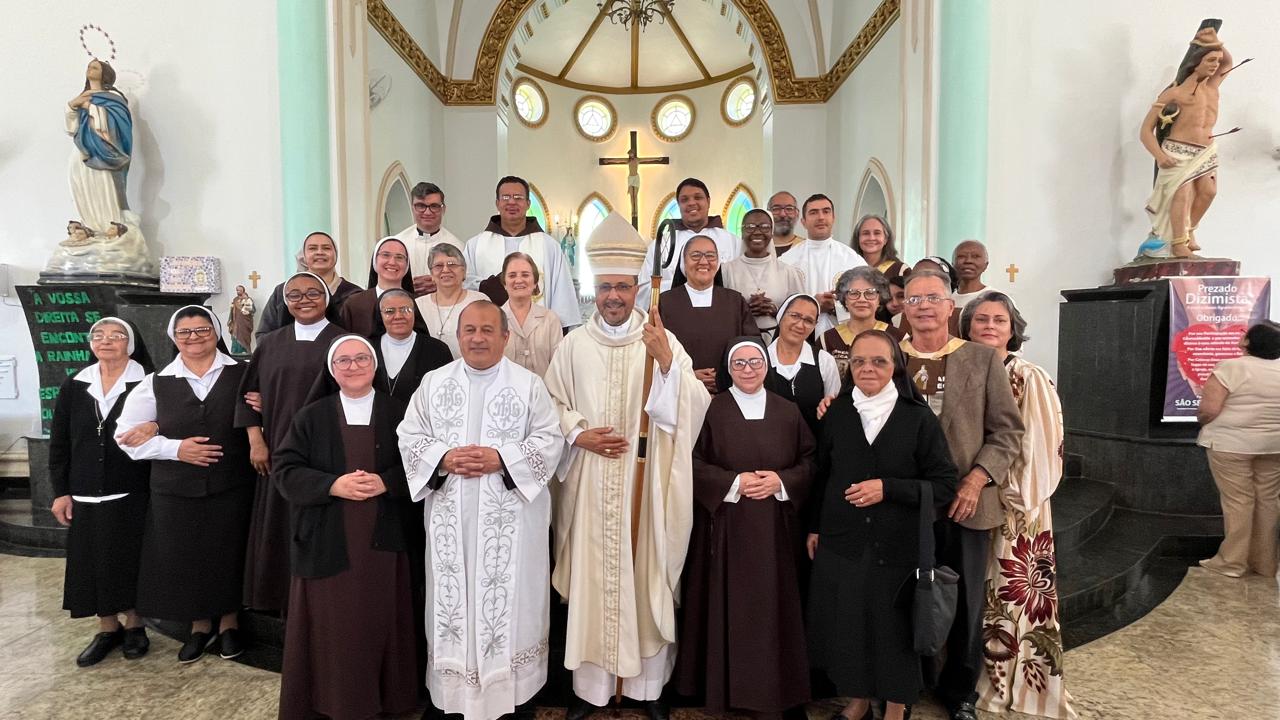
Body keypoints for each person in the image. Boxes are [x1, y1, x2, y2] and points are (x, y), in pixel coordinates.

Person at [543, 211, 712, 720]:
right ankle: (591, 690)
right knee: (596, 587)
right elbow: (548, 403)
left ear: (638, 288)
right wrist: (577, 431)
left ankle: (647, 692)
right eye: (605, 287)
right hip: (591, 481)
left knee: (646, 581)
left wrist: (664, 365)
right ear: (593, 289)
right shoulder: (573, 345)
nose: (614, 296)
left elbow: (695, 406)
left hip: (649, 478)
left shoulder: (661, 338)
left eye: (622, 286)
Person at [398, 301, 566, 720]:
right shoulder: (434, 383)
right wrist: (443, 458)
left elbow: (550, 439)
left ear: (505, 337)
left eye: (488, 330)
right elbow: (408, 434)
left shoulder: (529, 385)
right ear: (457, 337)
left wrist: (502, 459)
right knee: (452, 600)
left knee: (513, 606)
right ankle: (454, 696)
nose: (477, 338)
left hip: (511, 521)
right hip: (450, 515)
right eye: (469, 330)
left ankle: (512, 695)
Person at [807, 330, 958, 720]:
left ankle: (895, 706)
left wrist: (888, 489)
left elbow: (944, 485)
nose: (867, 369)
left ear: (896, 367)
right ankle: (857, 701)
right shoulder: (838, 413)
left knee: (894, 631)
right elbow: (822, 475)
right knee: (849, 625)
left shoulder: (918, 417)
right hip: (844, 540)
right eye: (858, 361)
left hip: (898, 545)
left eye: (879, 361)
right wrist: (814, 527)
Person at [897, 271, 1023, 720]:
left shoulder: (981, 359)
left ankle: (960, 693)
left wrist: (976, 480)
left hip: (966, 502)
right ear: (903, 307)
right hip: (905, 504)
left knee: (966, 600)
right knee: (901, 594)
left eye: (934, 297)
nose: (925, 306)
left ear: (951, 307)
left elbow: (1007, 432)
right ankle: (903, 684)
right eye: (915, 298)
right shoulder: (889, 358)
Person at [273, 335, 418, 720]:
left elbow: (426, 464)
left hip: (384, 541)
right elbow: (285, 471)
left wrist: (387, 481)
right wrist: (332, 485)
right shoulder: (311, 416)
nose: (352, 366)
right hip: (329, 541)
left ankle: (389, 700)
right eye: (343, 361)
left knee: (381, 618)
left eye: (360, 359)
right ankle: (335, 701)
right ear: (331, 370)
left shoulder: (401, 412)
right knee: (334, 628)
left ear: (374, 365)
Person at [675, 338, 815, 715]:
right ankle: (724, 691)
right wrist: (733, 483)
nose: (749, 369)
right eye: (740, 364)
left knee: (773, 610)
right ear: (728, 369)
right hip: (726, 527)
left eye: (755, 361)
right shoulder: (713, 409)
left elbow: (810, 461)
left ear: (766, 365)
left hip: (775, 532)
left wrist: (781, 482)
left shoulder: (787, 411)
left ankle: (774, 689)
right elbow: (693, 461)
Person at [115, 306, 256, 663]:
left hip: (232, 482)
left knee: (229, 552)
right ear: (174, 338)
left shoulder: (244, 372)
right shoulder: (157, 381)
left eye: (202, 330)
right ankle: (198, 626)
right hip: (175, 489)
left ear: (216, 332)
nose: (194, 338)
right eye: (185, 333)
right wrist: (176, 448)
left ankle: (228, 623)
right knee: (186, 557)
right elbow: (125, 436)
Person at [961, 292, 1077, 719]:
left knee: (1011, 595)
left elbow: (1043, 446)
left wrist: (1012, 497)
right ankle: (976, 677)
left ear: (1013, 329)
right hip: (970, 502)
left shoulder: (1027, 375)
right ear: (968, 327)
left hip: (1016, 508)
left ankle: (1015, 682)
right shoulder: (965, 367)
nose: (990, 326)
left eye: (999, 320)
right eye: (980, 320)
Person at [236, 272, 348, 613]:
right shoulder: (270, 343)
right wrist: (256, 440)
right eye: (295, 294)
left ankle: (317, 597)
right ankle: (276, 597)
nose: (304, 299)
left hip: (325, 453)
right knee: (278, 524)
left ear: (327, 298)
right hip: (276, 449)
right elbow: (246, 395)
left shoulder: (343, 341)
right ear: (285, 302)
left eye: (313, 292)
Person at [49, 318, 152, 667]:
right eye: (99, 335)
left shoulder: (147, 382)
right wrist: (61, 492)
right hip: (83, 489)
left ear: (131, 342)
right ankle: (107, 627)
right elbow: (60, 442)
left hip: (131, 488)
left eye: (116, 335)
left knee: (128, 558)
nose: (106, 341)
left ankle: (135, 623)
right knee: (89, 561)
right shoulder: (76, 385)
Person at [1137, 24, 1232, 258]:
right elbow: (1145, 130)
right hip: (1178, 151)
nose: (1215, 65)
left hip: (1205, 150)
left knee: (1208, 192)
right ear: (1196, 61)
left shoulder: (1212, 87)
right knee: (1182, 193)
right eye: (1210, 60)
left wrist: (1215, 42)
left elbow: (1228, 63)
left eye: (1216, 61)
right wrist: (1160, 156)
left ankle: (1188, 230)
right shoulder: (1174, 93)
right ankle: (1179, 243)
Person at [1195, 320, 1280, 578]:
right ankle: (1265, 563)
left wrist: (1202, 422)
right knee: (1268, 501)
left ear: (1248, 342)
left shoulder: (1231, 367)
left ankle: (1232, 563)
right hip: (1274, 446)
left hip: (1230, 445)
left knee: (1238, 502)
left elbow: (1209, 410)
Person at [464, 176, 580, 330]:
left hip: (538, 332)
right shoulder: (476, 245)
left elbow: (562, 292)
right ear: (497, 203)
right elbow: (465, 285)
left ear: (527, 204)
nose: (511, 202)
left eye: (518, 197)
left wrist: (561, 331)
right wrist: (489, 286)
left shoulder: (549, 245)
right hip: (490, 329)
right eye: (506, 197)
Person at [658, 235, 759, 393]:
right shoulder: (664, 303)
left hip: (729, 393)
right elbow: (653, 351)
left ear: (718, 263)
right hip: (679, 394)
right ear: (684, 262)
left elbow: (752, 348)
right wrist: (688, 375)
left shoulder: (735, 301)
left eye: (710, 256)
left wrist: (723, 377)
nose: (704, 261)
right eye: (695, 255)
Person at [636, 178, 742, 309]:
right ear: (678, 204)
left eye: (698, 197)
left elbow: (740, 282)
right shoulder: (661, 243)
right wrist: (686, 287)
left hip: (721, 310)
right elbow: (645, 287)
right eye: (684, 200)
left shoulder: (731, 241)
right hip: (675, 311)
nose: (691, 203)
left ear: (708, 201)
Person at [779, 194, 866, 335]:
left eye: (826, 211)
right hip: (799, 335)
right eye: (813, 212)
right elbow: (780, 303)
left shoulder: (853, 260)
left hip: (842, 335)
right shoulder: (786, 261)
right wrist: (813, 305)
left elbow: (868, 300)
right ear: (803, 221)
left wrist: (836, 307)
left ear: (833, 218)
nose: (820, 217)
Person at [256, 232, 362, 340]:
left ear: (336, 255)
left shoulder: (355, 295)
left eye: (326, 248)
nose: (320, 252)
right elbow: (264, 336)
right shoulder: (282, 292)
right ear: (304, 256)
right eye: (312, 248)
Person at [721, 208, 807, 340]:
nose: (757, 232)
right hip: (740, 344)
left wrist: (777, 312)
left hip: (779, 343)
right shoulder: (725, 271)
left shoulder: (789, 272)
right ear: (742, 232)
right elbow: (719, 313)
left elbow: (803, 313)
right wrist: (745, 311)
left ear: (772, 232)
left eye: (765, 227)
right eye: (750, 227)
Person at [765, 294, 841, 436]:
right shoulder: (760, 360)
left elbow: (832, 410)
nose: (800, 325)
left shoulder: (824, 361)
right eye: (795, 316)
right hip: (769, 447)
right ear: (781, 316)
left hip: (813, 449)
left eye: (808, 320)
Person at [821, 267, 905, 381]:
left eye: (870, 293)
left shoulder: (899, 338)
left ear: (879, 299)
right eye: (854, 293)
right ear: (845, 299)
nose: (862, 299)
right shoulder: (827, 340)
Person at [339, 236, 428, 338]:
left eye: (399, 257)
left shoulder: (418, 303)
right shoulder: (354, 304)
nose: (392, 262)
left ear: (407, 265)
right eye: (385, 255)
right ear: (375, 261)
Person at [372, 289, 452, 402]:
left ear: (415, 312)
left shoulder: (437, 350)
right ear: (380, 315)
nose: (398, 316)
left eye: (406, 310)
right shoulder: (368, 349)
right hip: (377, 418)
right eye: (389, 311)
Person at [418, 243, 490, 359]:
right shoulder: (418, 305)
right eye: (438, 266)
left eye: (452, 264)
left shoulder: (480, 301)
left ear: (464, 271)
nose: (445, 270)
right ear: (431, 274)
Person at [396, 181, 466, 296]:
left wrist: (441, 283)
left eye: (434, 206)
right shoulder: (399, 243)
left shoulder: (457, 247)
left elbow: (465, 283)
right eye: (421, 206)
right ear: (413, 208)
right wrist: (407, 284)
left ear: (443, 209)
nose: (427, 212)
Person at [500, 251, 564, 376]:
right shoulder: (494, 319)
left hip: (544, 392)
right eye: (512, 275)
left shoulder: (550, 319)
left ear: (535, 282)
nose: (519, 280)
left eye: (525, 275)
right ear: (504, 283)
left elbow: (559, 367)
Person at [851, 214, 908, 281]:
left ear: (886, 239)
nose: (871, 238)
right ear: (857, 238)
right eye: (865, 233)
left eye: (877, 233)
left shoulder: (901, 271)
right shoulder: (849, 267)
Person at [951, 241, 999, 309]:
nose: (968, 261)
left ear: (986, 265)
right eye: (961, 256)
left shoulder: (997, 298)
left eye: (976, 256)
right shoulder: (946, 299)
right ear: (953, 264)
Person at [767, 191, 804, 256]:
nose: (782, 214)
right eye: (776, 209)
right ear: (767, 214)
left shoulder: (806, 248)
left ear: (797, 214)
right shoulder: (755, 248)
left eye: (789, 209)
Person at [228, 285, 255, 355]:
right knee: (235, 335)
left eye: (239, 290)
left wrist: (247, 310)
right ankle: (235, 350)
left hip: (245, 323)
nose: (238, 291)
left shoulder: (248, 299)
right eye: (237, 290)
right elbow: (232, 311)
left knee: (244, 336)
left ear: (243, 291)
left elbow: (253, 310)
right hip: (236, 322)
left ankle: (245, 350)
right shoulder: (235, 300)